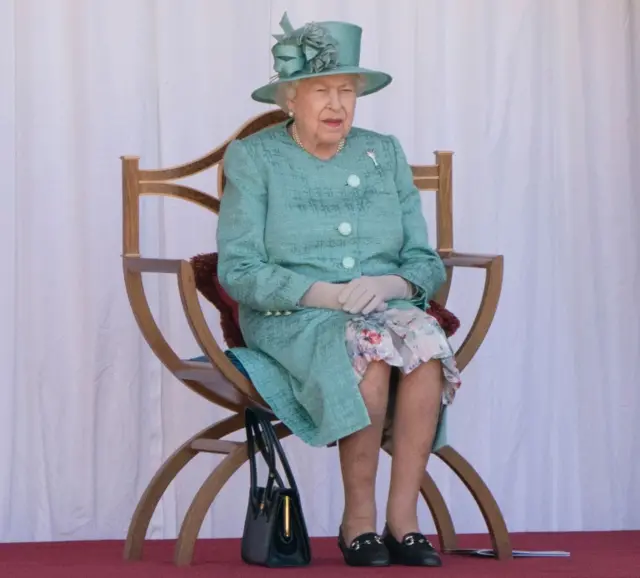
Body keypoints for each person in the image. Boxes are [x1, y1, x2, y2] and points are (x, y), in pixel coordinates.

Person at [217, 12, 461, 568]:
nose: (336, 104)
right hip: (291, 314)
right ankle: (358, 523)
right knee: (371, 351)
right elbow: (238, 270)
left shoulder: (385, 152)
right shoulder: (255, 158)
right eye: (321, 90)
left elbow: (424, 261)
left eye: (346, 91)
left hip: (382, 304)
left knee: (422, 340)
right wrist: (324, 294)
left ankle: (404, 522)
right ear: (289, 99)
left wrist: (388, 283)